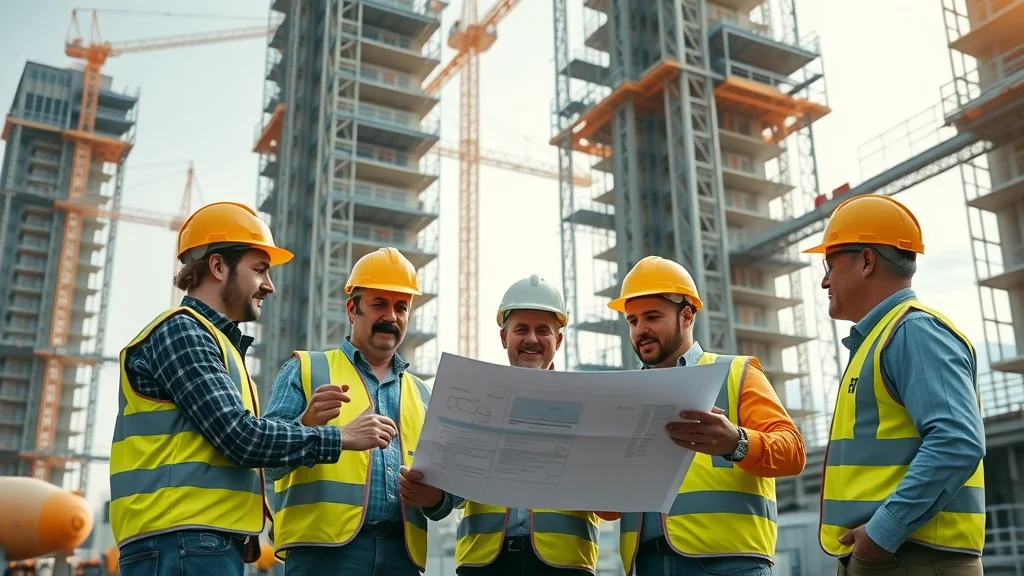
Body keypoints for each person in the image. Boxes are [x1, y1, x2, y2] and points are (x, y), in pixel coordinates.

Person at [109, 202, 345, 576]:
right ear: (218, 267)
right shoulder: (183, 331)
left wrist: (304, 424)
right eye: (259, 270)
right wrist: (338, 437)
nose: (270, 285)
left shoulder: (217, 344)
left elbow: (239, 446)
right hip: (183, 540)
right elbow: (239, 437)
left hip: (195, 541)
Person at [805, 195, 985, 576]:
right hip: (891, 557)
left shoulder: (914, 332)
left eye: (830, 265)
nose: (824, 280)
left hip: (911, 558)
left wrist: (881, 535)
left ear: (867, 261)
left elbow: (956, 442)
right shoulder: (882, 338)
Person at [263, 246, 457, 575]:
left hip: (402, 556)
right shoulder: (306, 370)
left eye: (401, 307)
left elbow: (449, 499)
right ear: (352, 310)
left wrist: (436, 498)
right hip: (321, 555)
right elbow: (266, 463)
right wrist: (305, 423)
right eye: (379, 304)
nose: (391, 317)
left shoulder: (423, 395)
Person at [609, 255, 806, 576]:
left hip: (730, 563)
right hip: (647, 565)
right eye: (632, 321)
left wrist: (736, 443)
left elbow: (793, 453)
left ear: (686, 316)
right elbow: (609, 511)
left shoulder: (735, 372)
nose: (640, 330)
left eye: (652, 317)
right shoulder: (625, 397)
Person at [412, 275, 613, 575]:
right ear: (505, 338)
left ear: (558, 340)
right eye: (521, 329)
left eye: (542, 330)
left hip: (565, 564)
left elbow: (609, 497)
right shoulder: (474, 402)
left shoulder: (587, 406)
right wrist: (433, 498)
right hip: (484, 564)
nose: (531, 338)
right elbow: (452, 494)